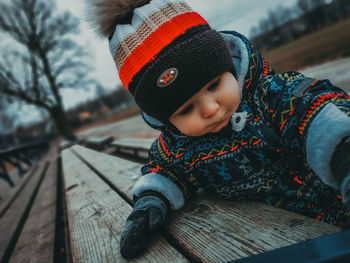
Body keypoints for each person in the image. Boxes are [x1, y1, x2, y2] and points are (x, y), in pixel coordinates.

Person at [88, 0, 350, 259]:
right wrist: (149, 205)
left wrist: (344, 157)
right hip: (258, 239)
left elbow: (317, 110)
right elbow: (164, 172)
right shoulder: (179, 146)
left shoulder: (272, 98)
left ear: (229, 66)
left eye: (214, 85)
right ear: (167, 121)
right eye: (186, 109)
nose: (210, 109)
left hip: (335, 220)